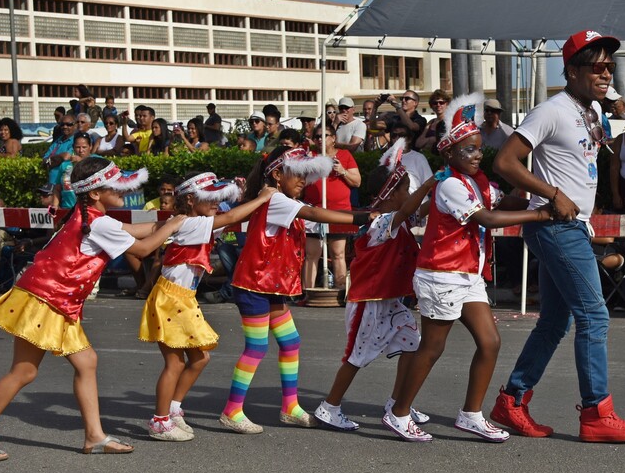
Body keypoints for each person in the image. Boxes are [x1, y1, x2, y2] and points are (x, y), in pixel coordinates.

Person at [0, 157, 187, 461]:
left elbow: (135, 229)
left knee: (86, 361)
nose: (122, 188)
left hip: (57, 300)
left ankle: (94, 436)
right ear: (95, 192)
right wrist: (175, 223)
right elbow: (143, 248)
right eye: (114, 184)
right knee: (24, 372)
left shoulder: (90, 216)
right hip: (47, 299)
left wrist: (168, 222)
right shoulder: (99, 222)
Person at [488, 30, 625, 443]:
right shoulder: (551, 110)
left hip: (573, 226)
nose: (606, 73)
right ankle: (597, 413)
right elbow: (505, 161)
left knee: (555, 322)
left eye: (610, 66)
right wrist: (553, 193)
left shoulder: (590, 110)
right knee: (594, 316)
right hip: (557, 226)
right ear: (573, 71)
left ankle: (512, 401)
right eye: (597, 66)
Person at [383, 97, 551, 443]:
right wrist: (539, 215)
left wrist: (543, 198)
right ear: (449, 154)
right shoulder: (450, 185)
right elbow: (486, 218)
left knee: (490, 342)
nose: (477, 155)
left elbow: (502, 203)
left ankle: (470, 415)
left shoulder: (479, 181)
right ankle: (399, 413)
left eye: (478, 149)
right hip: (441, 275)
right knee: (432, 347)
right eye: (468, 151)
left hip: (468, 276)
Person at [220, 147, 372, 434]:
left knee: (290, 342)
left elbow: (312, 217)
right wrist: (363, 217)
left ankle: (289, 407)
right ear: (277, 174)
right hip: (254, 286)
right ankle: (232, 410)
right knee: (256, 348)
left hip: (271, 287)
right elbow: (315, 212)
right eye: (298, 174)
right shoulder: (276, 199)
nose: (304, 180)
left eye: (306, 175)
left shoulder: (285, 200)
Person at [140, 172, 276, 441]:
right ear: (190, 200)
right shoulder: (192, 224)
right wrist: (263, 197)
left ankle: (174, 409)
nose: (217, 202)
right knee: (174, 363)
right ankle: (159, 420)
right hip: (171, 299)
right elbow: (233, 217)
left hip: (183, 299)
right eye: (211, 197)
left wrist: (252, 196)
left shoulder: (195, 221)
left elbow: (236, 215)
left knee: (200, 358)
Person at [314, 139, 432, 431]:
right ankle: (329, 407)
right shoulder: (383, 222)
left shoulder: (397, 217)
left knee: (412, 344)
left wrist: (441, 188)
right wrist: (430, 185)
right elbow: (407, 211)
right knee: (356, 357)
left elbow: (420, 210)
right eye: (405, 189)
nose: (410, 193)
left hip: (388, 299)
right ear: (391, 195)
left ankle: (397, 402)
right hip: (367, 301)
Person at [302, 124, 361, 290]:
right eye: (318, 136)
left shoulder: (344, 155)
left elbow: (357, 181)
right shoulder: (310, 157)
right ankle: (308, 291)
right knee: (312, 254)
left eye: (325, 135)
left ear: (333, 138)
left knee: (338, 253)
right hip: (313, 211)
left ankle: (341, 290)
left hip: (339, 211)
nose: (321, 139)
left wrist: (342, 170)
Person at [52, 132, 94, 210]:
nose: (81, 150)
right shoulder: (64, 165)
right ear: (73, 147)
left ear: (90, 147)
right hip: (67, 208)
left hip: (87, 210)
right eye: (78, 147)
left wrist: (80, 162)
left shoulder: (95, 162)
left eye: (84, 147)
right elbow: (57, 188)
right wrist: (55, 205)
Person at [388, 124, 432, 195]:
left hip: (416, 203)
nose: (397, 138)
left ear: (409, 139)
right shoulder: (386, 159)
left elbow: (429, 185)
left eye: (401, 135)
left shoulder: (418, 158)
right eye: (394, 135)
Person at [43, 114, 77, 183]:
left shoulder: (76, 141)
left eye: (69, 124)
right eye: (62, 124)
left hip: (66, 184)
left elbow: (66, 157)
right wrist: (59, 157)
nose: (65, 127)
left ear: (75, 126)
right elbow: (44, 161)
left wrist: (50, 160)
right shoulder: (57, 141)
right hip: (52, 183)